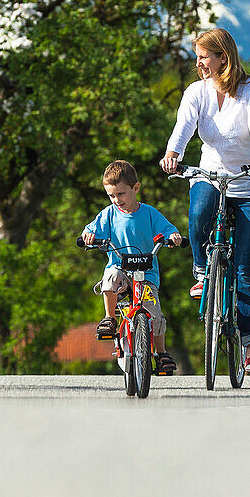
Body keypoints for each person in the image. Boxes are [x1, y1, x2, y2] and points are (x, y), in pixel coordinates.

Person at [160, 27, 250, 374]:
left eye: (203, 56)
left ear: (222, 58)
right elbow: (183, 128)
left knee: (245, 265)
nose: (197, 63)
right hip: (212, 175)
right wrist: (173, 154)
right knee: (199, 212)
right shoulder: (196, 93)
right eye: (197, 56)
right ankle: (202, 271)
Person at [81, 159, 184, 376]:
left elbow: (167, 229)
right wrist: (88, 236)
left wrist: (173, 236)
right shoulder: (109, 214)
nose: (116, 200)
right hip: (121, 269)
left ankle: (161, 353)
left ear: (135, 188)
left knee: (155, 314)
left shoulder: (149, 213)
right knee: (109, 277)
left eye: (121, 194)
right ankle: (110, 318)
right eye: (111, 195)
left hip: (146, 274)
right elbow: (91, 229)